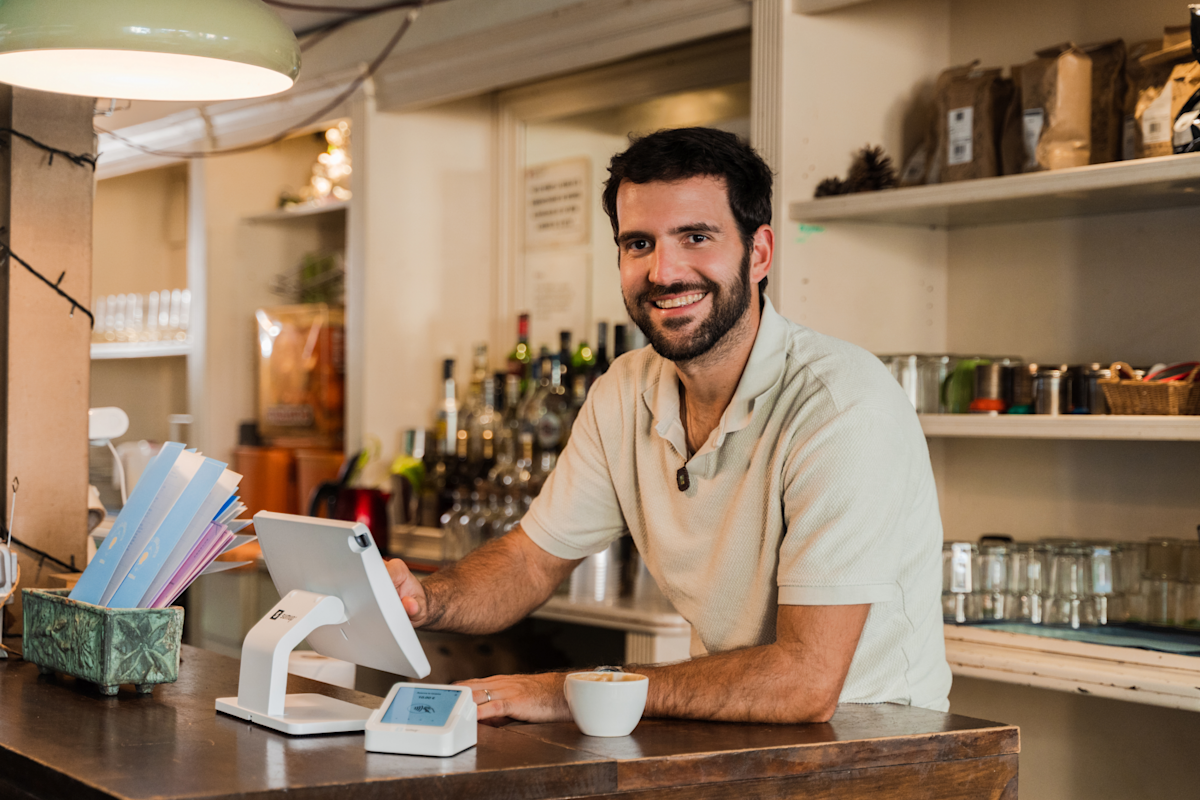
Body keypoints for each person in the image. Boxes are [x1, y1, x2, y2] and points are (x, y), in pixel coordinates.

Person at [387, 127, 950, 724]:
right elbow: (532, 560)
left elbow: (805, 682)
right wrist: (427, 600)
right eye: (638, 244)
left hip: (878, 746)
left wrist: (568, 690)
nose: (664, 271)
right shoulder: (627, 390)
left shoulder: (840, 406)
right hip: (731, 732)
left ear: (758, 253)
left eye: (696, 237)